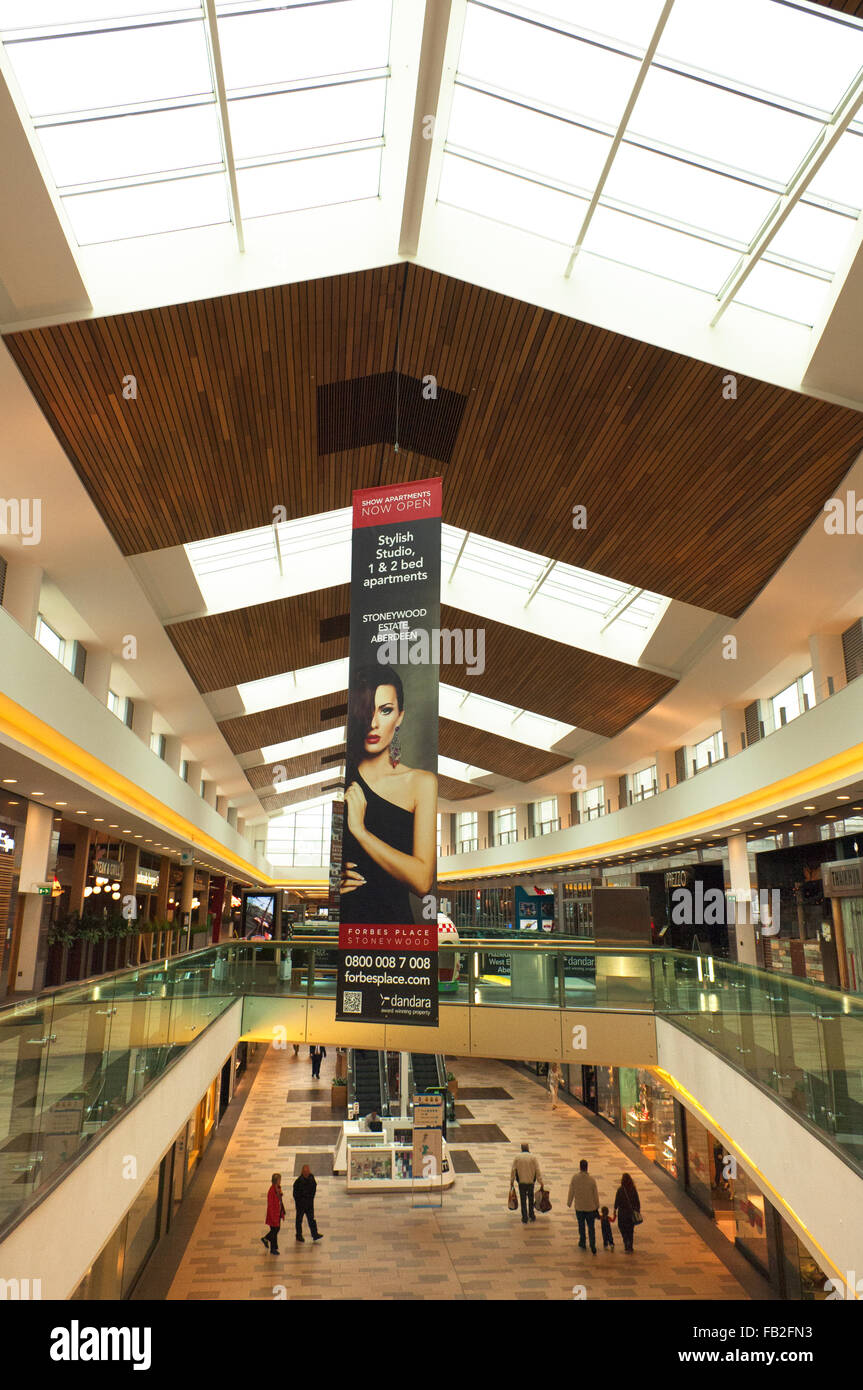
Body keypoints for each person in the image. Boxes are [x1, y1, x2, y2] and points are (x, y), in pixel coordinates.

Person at [339, 666, 437, 923]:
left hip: (396, 929)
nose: (373, 722)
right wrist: (333, 877)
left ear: (400, 717)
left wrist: (361, 832)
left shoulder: (421, 783)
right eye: (365, 709)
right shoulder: (344, 781)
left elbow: (423, 881)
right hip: (349, 927)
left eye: (385, 710)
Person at [566, 1158, 600, 1254]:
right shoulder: (592, 1180)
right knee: (591, 1226)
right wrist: (597, 1205)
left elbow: (571, 1190)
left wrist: (569, 1202)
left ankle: (582, 1241)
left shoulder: (575, 1178)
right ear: (587, 1167)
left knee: (581, 1225)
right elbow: (595, 1194)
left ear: (580, 1167)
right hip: (590, 1207)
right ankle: (592, 1244)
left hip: (579, 1207)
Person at [510, 1142, 544, 1225]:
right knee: (531, 1199)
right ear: (528, 1148)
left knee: (523, 1199)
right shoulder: (533, 1158)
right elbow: (537, 1170)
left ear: (521, 1149)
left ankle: (524, 1217)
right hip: (530, 1182)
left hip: (521, 1182)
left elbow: (513, 1170)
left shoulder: (517, 1158)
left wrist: (511, 1182)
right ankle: (531, 1215)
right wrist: (541, 1182)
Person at [293, 1164, 323, 1243]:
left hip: (309, 1204)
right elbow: (295, 1194)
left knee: (311, 1219)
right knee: (299, 1220)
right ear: (302, 1172)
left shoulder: (311, 1178)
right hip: (301, 1205)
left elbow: (314, 1188)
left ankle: (314, 1234)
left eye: (308, 1171)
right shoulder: (298, 1182)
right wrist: (300, 1202)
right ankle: (299, 1235)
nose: (307, 1173)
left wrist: (311, 1197)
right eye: (305, 1172)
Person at [614, 1172, 641, 1253]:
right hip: (631, 1213)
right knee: (630, 1229)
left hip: (622, 1213)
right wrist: (637, 1211)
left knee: (622, 1228)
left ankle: (626, 1242)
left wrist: (615, 1210)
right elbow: (637, 1202)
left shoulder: (620, 1190)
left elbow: (617, 1201)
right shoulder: (633, 1189)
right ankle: (630, 1245)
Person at [261, 1172, 284, 1255]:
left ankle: (267, 1240)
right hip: (273, 1214)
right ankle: (273, 1248)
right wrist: (273, 1216)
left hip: (277, 1213)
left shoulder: (277, 1188)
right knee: (274, 1230)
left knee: (276, 1230)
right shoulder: (271, 1191)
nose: (280, 1181)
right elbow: (270, 1205)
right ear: (276, 1180)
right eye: (279, 1179)